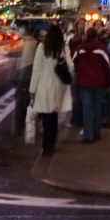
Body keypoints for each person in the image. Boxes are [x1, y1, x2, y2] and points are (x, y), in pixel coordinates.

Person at [30, 23, 73, 156]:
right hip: (58, 85)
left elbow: (36, 70)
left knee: (46, 116)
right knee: (53, 114)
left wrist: (32, 89)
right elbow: (70, 67)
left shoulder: (42, 48)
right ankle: (52, 143)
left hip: (44, 84)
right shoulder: (62, 48)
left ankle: (47, 146)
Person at [72, 26, 110, 143]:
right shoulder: (101, 49)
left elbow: (75, 63)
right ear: (96, 37)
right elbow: (108, 67)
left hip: (83, 82)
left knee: (87, 108)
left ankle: (87, 135)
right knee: (97, 107)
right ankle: (96, 132)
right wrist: (108, 82)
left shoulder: (80, 49)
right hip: (99, 82)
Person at [13, 28, 38, 135]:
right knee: (32, 100)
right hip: (32, 72)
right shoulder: (37, 43)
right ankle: (32, 125)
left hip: (21, 74)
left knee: (19, 99)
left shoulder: (20, 43)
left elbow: (15, 59)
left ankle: (18, 127)